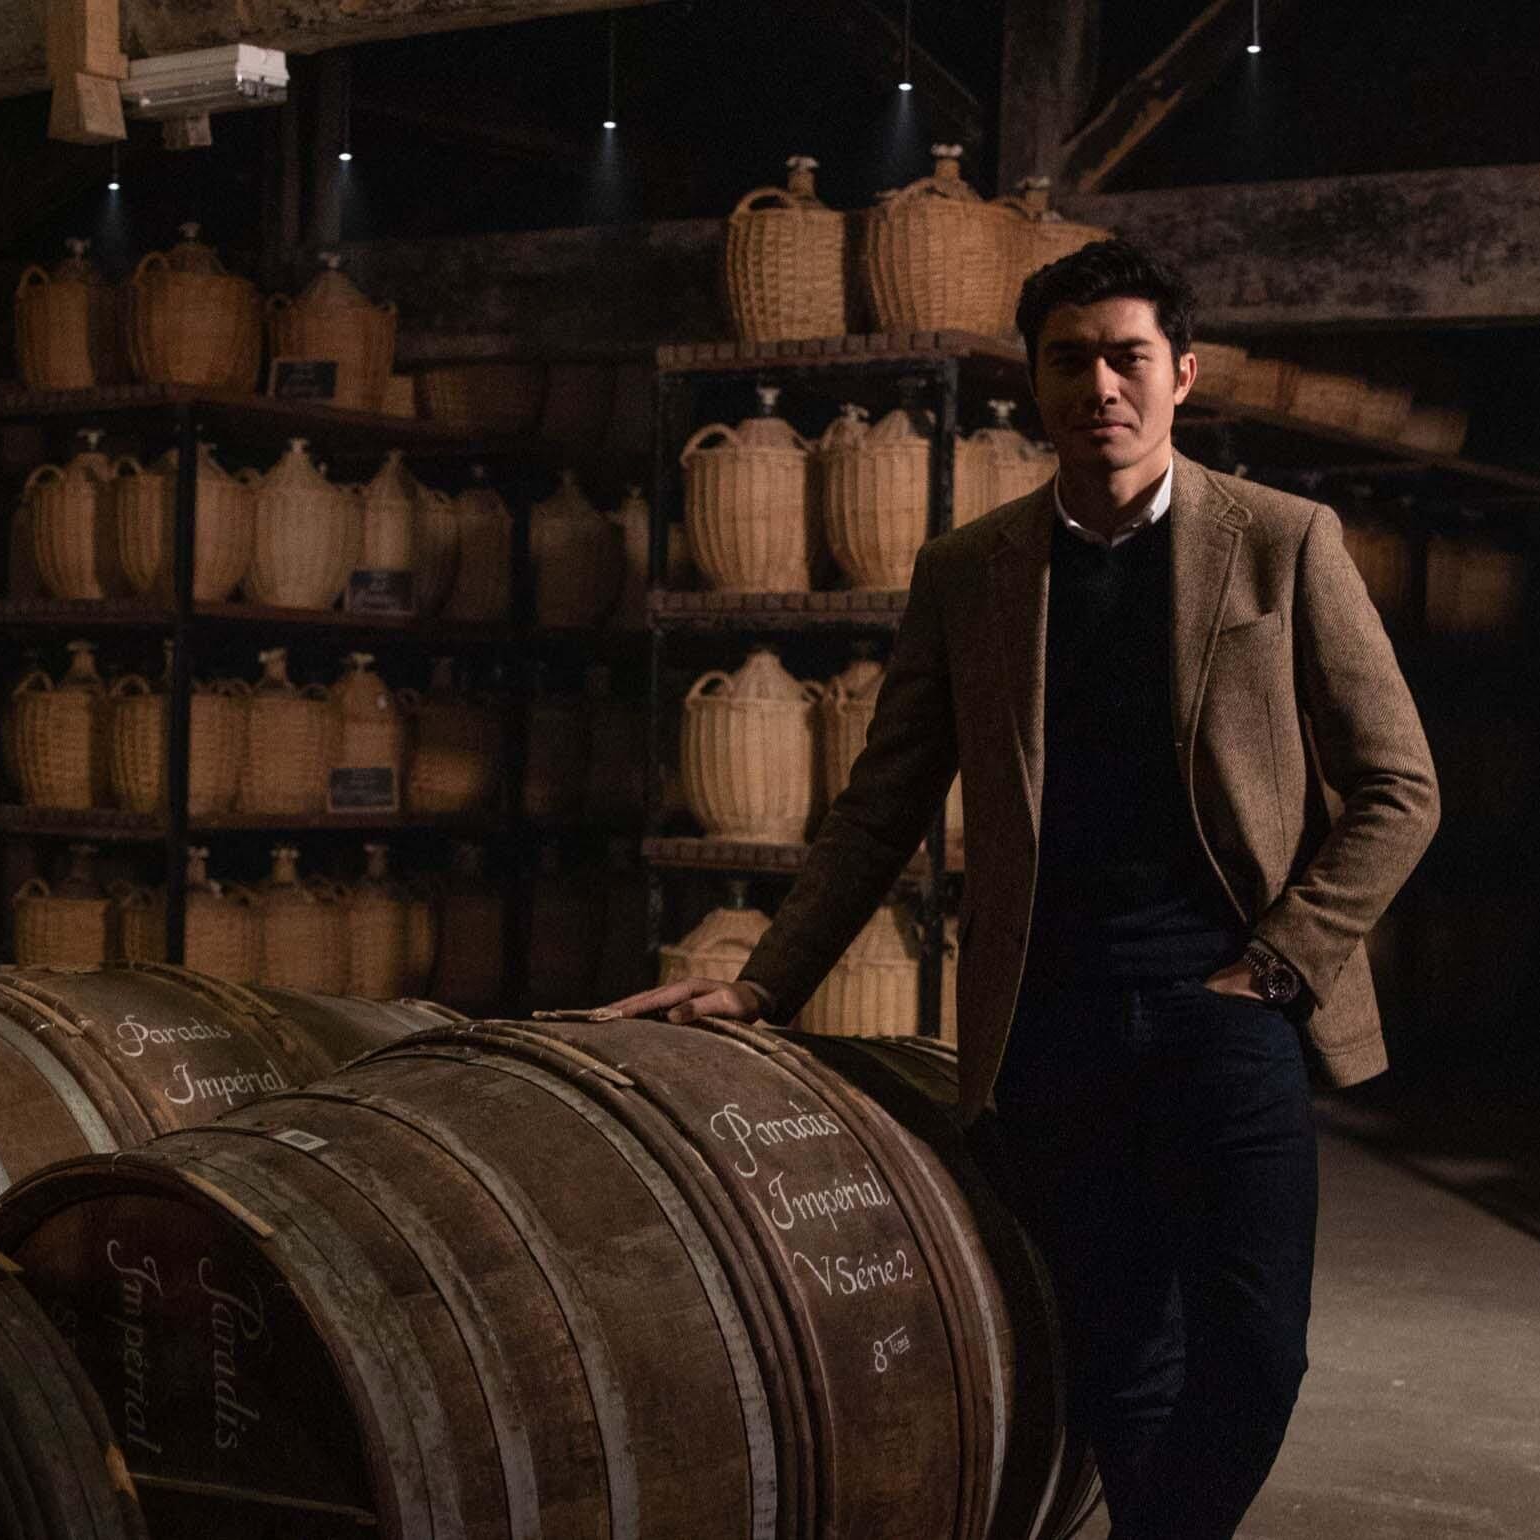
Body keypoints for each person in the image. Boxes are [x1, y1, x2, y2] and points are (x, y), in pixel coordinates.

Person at [602, 240, 1439, 1539]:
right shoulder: (971, 569)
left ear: (1181, 374)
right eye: (1069, 360)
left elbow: (1400, 785)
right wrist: (765, 983)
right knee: (1116, 1349)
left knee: (1258, 1347)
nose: (1100, 385)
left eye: (1128, 357)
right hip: (1051, 1024)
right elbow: (880, 804)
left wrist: (1277, 962)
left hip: (1231, 1018)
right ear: (1035, 382)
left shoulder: (1283, 542)